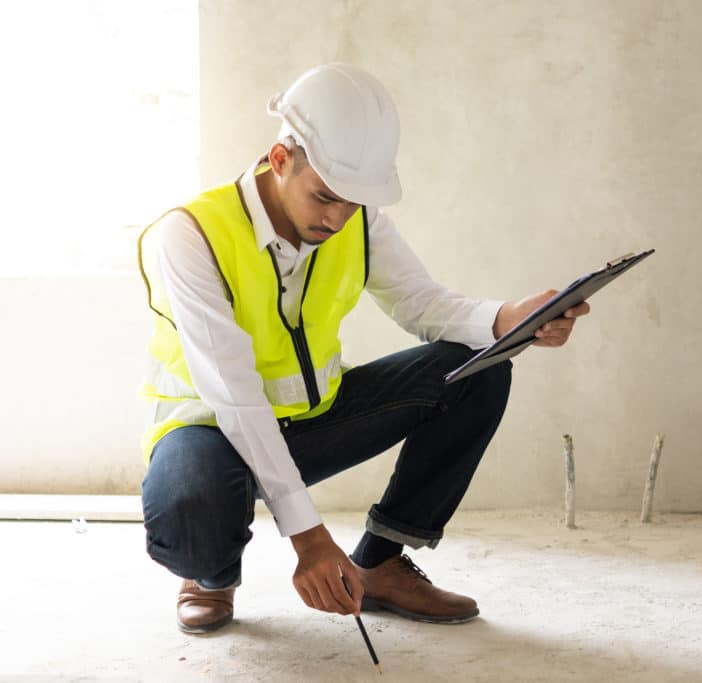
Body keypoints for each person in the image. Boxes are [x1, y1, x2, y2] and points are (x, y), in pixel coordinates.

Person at [137, 63, 590, 634]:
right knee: (192, 508)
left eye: (351, 202)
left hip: (311, 420)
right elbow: (234, 395)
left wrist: (508, 319)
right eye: (324, 196)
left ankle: (380, 564)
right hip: (211, 434)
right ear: (280, 160)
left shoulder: (354, 214)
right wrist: (309, 538)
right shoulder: (191, 236)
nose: (337, 217)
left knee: (477, 369)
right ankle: (209, 574)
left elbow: (424, 304)